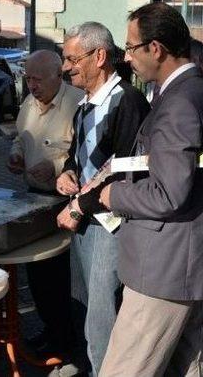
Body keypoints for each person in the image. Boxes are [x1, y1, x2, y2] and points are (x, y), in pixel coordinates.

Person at [98, 2, 203, 376]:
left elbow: (168, 193)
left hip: (166, 268)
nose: (126, 58)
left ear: (155, 48)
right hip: (190, 261)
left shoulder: (179, 103)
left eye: (130, 48)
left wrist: (114, 196)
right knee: (188, 364)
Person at [54, 22, 150, 375]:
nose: (66, 67)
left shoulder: (127, 101)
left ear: (100, 56)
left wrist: (79, 208)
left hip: (111, 224)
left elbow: (127, 171)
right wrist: (66, 172)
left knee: (102, 310)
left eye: (72, 58)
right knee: (85, 304)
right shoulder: (84, 104)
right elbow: (80, 157)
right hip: (85, 219)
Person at [7, 49, 84, 356]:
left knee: (60, 276)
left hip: (63, 200)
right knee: (37, 272)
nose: (32, 85)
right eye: (28, 79)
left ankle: (67, 337)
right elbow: (19, 137)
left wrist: (54, 166)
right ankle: (50, 328)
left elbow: (84, 155)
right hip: (32, 196)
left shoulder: (78, 102)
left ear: (58, 75)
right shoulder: (28, 102)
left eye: (38, 79)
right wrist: (16, 154)